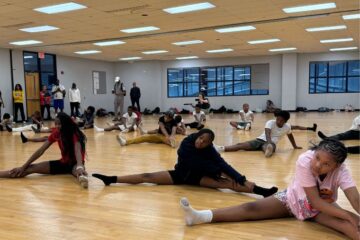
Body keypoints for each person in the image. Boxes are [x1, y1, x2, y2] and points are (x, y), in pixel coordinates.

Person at [179, 140, 360, 240]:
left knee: (350, 226)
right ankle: (200, 216)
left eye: (326, 164)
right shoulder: (305, 160)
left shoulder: (341, 171)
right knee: (251, 208)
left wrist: (352, 216)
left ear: (336, 166)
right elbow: (313, 200)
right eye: (317, 157)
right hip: (292, 200)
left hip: (320, 209)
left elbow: (354, 197)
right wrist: (346, 215)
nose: (318, 164)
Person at [93, 129, 278, 198]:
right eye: (201, 139)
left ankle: (261, 191)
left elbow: (222, 163)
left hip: (198, 178)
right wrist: (216, 170)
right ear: (197, 136)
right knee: (146, 177)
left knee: (231, 184)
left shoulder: (209, 149)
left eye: (206, 142)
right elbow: (198, 162)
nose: (201, 143)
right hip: (180, 174)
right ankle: (112, 179)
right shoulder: (186, 144)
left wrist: (238, 176)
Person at [0, 112, 89, 188]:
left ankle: (82, 177)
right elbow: (40, 151)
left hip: (76, 164)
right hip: (63, 163)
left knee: (79, 173)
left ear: (66, 124)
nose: (57, 126)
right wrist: (23, 166)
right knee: (28, 169)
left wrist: (80, 166)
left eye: (60, 124)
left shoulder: (74, 133)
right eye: (56, 123)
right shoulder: (56, 134)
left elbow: (78, 151)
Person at [215, 110, 302, 157]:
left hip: (271, 144)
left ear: (286, 121)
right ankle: (221, 148)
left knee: (267, 148)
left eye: (281, 120)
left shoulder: (287, 127)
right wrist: (269, 142)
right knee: (240, 145)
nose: (278, 121)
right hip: (260, 140)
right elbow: (267, 133)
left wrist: (295, 146)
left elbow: (290, 135)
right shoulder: (271, 122)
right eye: (277, 119)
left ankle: (268, 150)